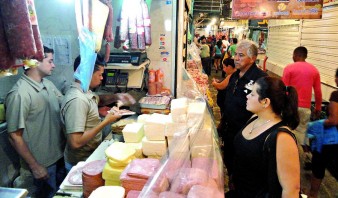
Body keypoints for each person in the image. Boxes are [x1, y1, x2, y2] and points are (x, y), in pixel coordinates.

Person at [5, 46, 66, 198]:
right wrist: (35, 166)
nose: (54, 65)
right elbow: (14, 136)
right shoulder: (20, 94)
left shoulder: (48, 85)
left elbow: (65, 105)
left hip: (58, 156)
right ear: (36, 62)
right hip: (41, 166)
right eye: (50, 61)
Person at [61, 56, 134, 172]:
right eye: (99, 74)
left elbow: (98, 100)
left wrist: (116, 97)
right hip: (81, 163)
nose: (101, 78)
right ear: (87, 73)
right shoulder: (77, 100)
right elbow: (75, 142)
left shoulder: (85, 90)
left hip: (91, 155)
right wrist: (106, 121)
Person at [231, 76, 300, 197]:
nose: (247, 96)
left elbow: (291, 189)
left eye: (252, 94)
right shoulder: (254, 118)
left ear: (265, 101)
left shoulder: (282, 137)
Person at [219, 40, 267, 180]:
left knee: (244, 170)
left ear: (252, 58)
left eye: (241, 55)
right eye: (235, 54)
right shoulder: (234, 75)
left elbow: (264, 109)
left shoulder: (260, 79)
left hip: (247, 133)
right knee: (229, 161)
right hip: (230, 131)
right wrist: (223, 122)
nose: (236, 58)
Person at [282, 46, 322, 168]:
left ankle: (288, 158)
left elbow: (283, 89)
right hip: (305, 108)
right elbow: (318, 92)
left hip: (290, 107)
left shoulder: (289, 68)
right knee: (303, 133)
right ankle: (306, 156)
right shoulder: (314, 70)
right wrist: (318, 108)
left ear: (295, 55)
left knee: (287, 132)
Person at [307, 68, 338, 198]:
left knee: (319, 164)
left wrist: (315, 124)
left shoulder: (336, 95)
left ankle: (312, 194)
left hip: (333, 140)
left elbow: (333, 120)